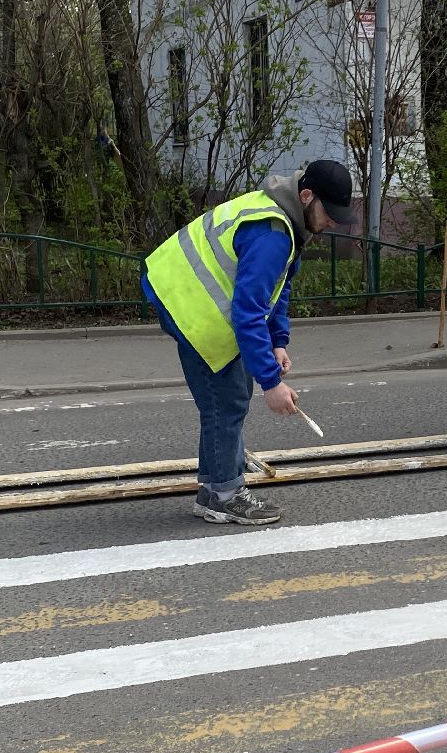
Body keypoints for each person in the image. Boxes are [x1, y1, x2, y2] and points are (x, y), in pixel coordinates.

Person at [143, 160, 356, 524]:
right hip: (188, 306)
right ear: (306, 196)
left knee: (228, 399)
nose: (333, 222)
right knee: (225, 403)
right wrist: (271, 384)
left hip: (185, 295)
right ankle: (224, 496)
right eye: (329, 213)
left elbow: (278, 286)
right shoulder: (272, 232)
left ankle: (215, 489)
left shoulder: (286, 220)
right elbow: (248, 311)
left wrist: (278, 342)